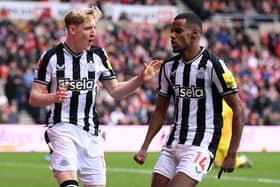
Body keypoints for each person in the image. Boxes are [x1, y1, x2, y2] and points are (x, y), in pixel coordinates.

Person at [29, 6, 161, 187]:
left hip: (91, 134)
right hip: (62, 129)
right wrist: (53, 97)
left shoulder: (98, 55)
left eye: (94, 28)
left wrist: (139, 79)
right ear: (72, 29)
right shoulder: (51, 57)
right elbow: (34, 97)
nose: (93, 33)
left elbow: (115, 90)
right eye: (87, 28)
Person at [133, 12, 245, 187]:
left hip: (200, 145)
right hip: (173, 143)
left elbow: (238, 109)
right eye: (171, 31)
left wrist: (232, 153)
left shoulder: (213, 65)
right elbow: (160, 110)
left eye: (178, 31)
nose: (172, 35)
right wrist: (144, 147)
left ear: (194, 34)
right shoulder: (168, 68)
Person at [214, 100, 253, 168]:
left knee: (228, 161)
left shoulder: (227, 105)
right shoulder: (216, 103)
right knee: (217, 163)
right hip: (218, 138)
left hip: (226, 139)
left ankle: (242, 160)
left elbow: (237, 117)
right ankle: (241, 160)